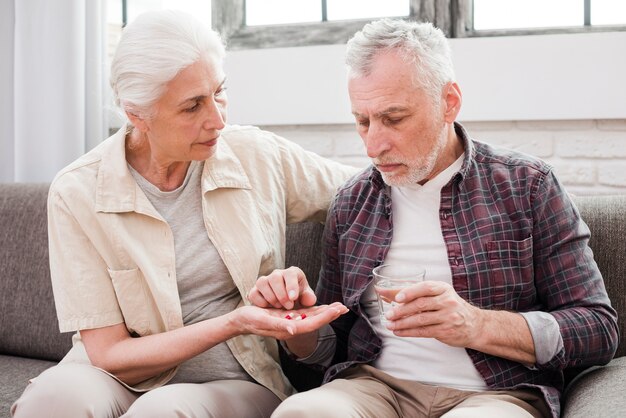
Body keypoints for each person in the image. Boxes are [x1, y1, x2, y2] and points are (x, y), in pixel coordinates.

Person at [248, 18, 619, 418]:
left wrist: (475, 324)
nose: (373, 144)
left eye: (394, 118)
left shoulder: (527, 186)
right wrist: (297, 327)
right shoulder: (352, 201)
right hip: (374, 387)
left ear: (449, 102)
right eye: (362, 120)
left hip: (495, 394)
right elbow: (329, 346)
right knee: (300, 413)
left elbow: (597, 328)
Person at [10, 10, 354, 418]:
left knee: (162, 411)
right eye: (192, 106)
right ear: (137, 114)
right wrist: (234, 322)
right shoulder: (78, 191)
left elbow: (365, 193)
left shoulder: (256, 155)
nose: (218, 118)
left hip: (230, 382)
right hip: (116, 374)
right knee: (52, 400)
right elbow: (109, 354)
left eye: (219, 91)